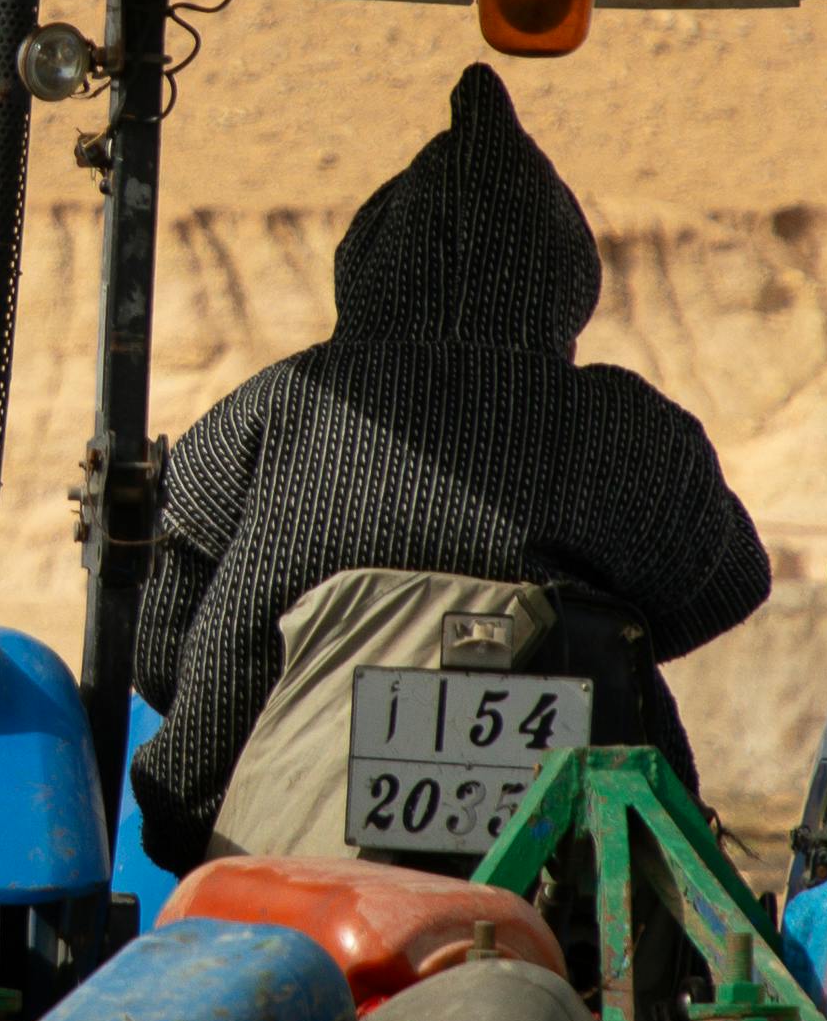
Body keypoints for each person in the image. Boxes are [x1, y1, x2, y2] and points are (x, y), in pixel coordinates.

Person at [127, 62, 771, 869]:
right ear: (566, 276)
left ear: (370, 262)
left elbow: (164, 606)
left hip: (269, 842)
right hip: (585, 862)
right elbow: (733, 581)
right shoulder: (630, 430)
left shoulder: (289, 400)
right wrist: (568, 634)